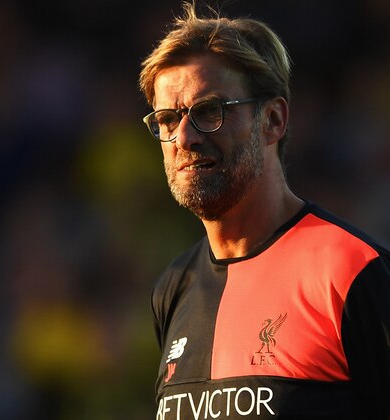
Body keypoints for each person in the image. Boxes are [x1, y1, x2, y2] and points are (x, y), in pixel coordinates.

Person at [139, 3, 390, 419]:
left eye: (209, 111)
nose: (184, 136)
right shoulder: (174, 288)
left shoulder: (353, 273)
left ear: (272, 120)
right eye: (168, 119)